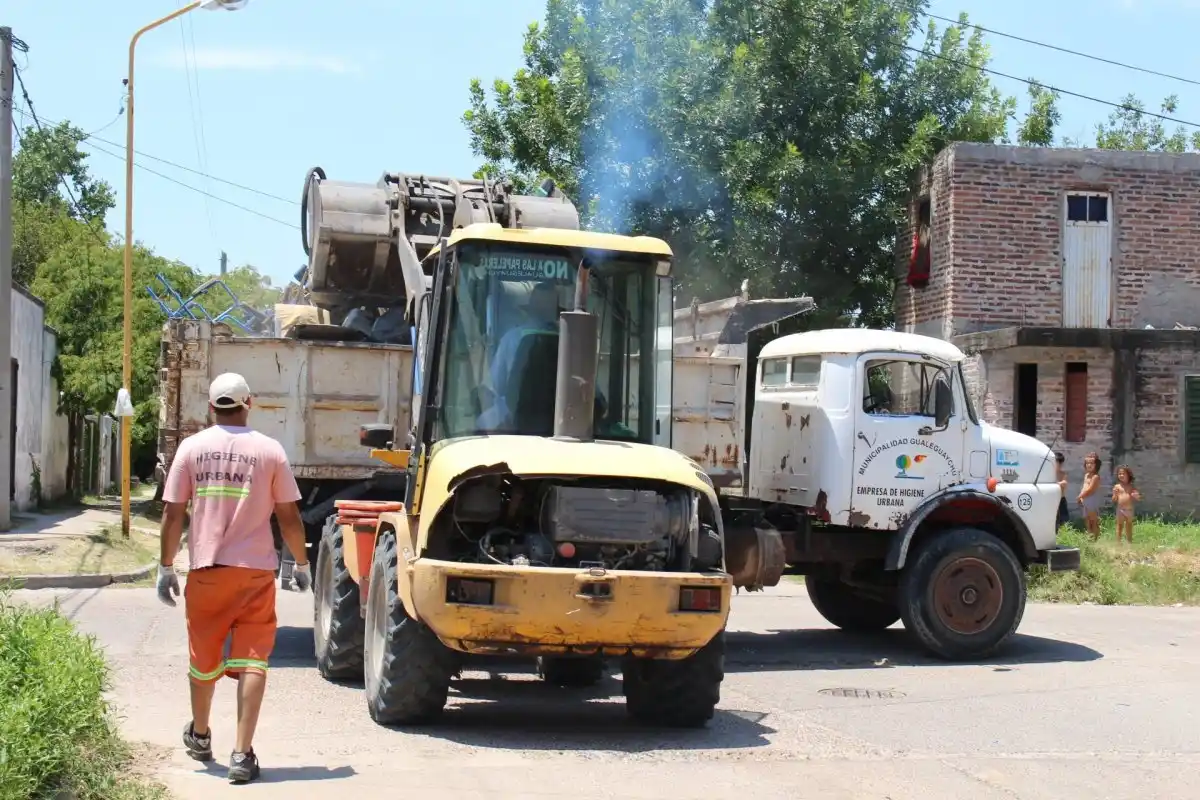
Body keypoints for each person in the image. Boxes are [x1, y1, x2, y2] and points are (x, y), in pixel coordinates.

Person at [156, 372, 311, 785]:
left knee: (203, 659)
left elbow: (173, 513)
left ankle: (201, 734)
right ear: (249, 403)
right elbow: (289, 517)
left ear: (211, 407)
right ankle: (242, 755)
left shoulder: (191, 449)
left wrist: (166, 565)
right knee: (253, 660)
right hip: (256, 572)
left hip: (207, 571)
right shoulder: (269, 451)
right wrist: (301, 563)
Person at [477, 281, 562, 430]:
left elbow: (493, 388)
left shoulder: (511, 339)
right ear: (556, 313)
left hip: (513, 419)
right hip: (562, 423)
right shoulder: (571, 343)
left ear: (531, 309)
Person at [1111, 464, 1142, 544]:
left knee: (1129, 526)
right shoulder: (1117, 486)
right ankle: (1118, 542)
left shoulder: (1131, 486)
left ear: (1128, 475)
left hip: (1129, 509)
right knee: (1119, 526)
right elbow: (1114, 500)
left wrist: (1136, 496)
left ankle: (1129, 542)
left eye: (1123, 473)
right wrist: (1114, 494)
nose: (1121, 475)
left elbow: (1138, 498)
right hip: (1120, 509)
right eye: (1119, 474)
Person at [1077, 451, 1103, 541]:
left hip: (1092, 500)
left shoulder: (1095, 477)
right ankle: (1089, 537)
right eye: (1087, 463)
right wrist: (1081, 497)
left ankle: (1096, 539)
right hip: (1085, 499)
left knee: (1093, 521)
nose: (1089, 465)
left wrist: (1080, 496)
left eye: (1091, 463)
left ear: (1096, 465)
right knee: (1087, 520)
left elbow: (1090, 489)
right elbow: (1084, 487)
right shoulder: (1086, 475)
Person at [1054, 451, 1069, 529]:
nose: (1059, 465)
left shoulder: (1063, 474)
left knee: (1064, 518)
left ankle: (1064, 534)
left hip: (1061, 499)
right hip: (1052, 500)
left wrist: (1056, 484)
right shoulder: (1049, 473)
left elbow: (1064, 484)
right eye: (1057, 462)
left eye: (1060, 463)